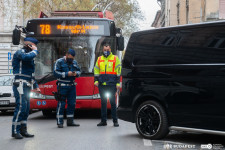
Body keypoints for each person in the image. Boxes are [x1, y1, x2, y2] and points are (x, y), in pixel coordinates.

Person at [12, 37, 41, 139]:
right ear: (29, 44)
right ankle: (15, 131)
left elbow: (31, 74)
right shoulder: (20, 52)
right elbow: (25, 57)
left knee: (26, 108)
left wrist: (36, 86)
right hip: (20, 84)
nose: (35, 47)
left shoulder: (30, 57)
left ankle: (23, 130)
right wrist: (35, 51)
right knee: (20, 107)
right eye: (34, 45)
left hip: (27, 84)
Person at [94, 43, 121, 127]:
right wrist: (96, 81)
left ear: (110, 50)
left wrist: (117, 83)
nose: (106, 51)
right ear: (102, 50)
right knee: (103, 103)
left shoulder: (115, 58)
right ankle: (103, 121)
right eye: (104, 50)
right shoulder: (99, 59)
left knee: (113, 103)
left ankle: (115, 121)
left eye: (107, 50)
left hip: (112, 84)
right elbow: (96, 71)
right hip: (102, 84)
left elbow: (118, 71)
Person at [53, 49, 81, 128]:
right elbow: (55, 73)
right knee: (61, 104)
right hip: (62, 86)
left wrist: (76, 74)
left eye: (73, 58)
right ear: (67, 55)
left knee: (72, 104)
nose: (72, 59)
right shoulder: (59, 62)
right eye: (71, 57)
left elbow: (79, 71)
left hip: (72, 86)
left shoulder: (74, 62)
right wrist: (66, 74)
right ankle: (59, 122)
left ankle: (70, 121)